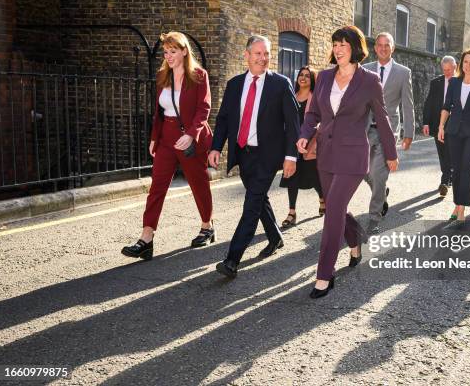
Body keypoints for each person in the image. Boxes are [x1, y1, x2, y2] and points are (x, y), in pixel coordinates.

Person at [297, 26, 398, 298]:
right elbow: (314, 113)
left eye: (343, 44)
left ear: (355, 48)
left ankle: (324, 275)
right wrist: (305, 135)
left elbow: (383, 118)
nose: (338, 49)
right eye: (335, 44)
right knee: (334, 207)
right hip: (326, 155)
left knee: (332, 212)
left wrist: (390, 153)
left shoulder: (369, 80)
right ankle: (355, 240)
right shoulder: (325, 77)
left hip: (353, 157)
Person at [208, 35, 299, 278]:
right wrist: (216, 147)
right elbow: (225, 119)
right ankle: (275, 237)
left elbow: (292, 123)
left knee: (251, 204)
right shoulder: (235, 84)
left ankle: (232, 260)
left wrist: (292, 156)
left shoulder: (280, 84)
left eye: (267, 53)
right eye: (257, 53)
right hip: (244, 153)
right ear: (246, 55)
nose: (263, 58)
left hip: (269, 155)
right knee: (258, 200)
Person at [122, 32, 214, 261]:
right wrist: (154, 137)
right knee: (157, 187)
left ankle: (207, 225)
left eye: (173, 51)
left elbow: (204, 108)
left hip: (189, 136)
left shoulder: (199, 76)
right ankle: (146, 239)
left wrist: (192, 135)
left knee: (198, 183)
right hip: (166, 138)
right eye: (166, 51)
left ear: (184, 51)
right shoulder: (163, 75)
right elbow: (159, 111)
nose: (168, 56)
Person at [362, 32, 414, 235]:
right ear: (375, 48)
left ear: (393, 48)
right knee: (363, 171)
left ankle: (374, 217)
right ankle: (381, 192)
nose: (383, 48)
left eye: (387, 45)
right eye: (380, 45)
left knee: (378, 172)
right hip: (365, 129)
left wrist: (408, 132)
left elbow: (408, 105)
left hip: (389, 131)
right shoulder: (364, 70)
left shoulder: (403, 73)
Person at [437, 48, 470, 227]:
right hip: (454, 131)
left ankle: (461, 208)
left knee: (467, 166)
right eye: (465, 62)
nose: (468, 65)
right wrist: (441, 127)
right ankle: (458, 205)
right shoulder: (453, 82)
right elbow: (446, 106)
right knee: (456, 168)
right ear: (461, 64)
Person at [279, 66, 324, 227]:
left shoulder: (316, 97)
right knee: (291, 177)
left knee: (315, 179)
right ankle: (292, 212)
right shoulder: (291, 96)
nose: (303, 78)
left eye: (307, 76)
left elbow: (319, 120)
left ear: (312, 80)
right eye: (301, 75)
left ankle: (322, 198)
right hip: (292, 144)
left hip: (309, 144)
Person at [422, 55, 457, 196]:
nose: (447, 72)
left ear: (455, 67)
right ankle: (447, 178)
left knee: (451, 152)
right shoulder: (436, 82)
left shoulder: (462, 81)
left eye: (449, 69)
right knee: (442, 153)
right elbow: (429, 103)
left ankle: (445, 180)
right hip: (438, 123)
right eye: (444, 70)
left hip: (455, 123)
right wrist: (425, 122)